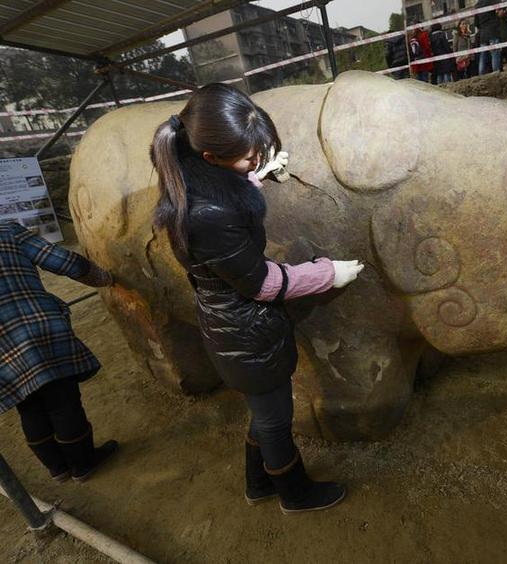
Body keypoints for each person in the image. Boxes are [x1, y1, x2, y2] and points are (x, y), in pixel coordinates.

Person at [149, 84, 364, 514]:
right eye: (250, 155)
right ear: (213, 157)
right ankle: (294, 493)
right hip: (244, 332)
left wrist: (255, 175)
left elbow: (225, 204)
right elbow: (263, 283)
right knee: (275, 419)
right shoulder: (206, 215)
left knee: (264, 413)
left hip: (233, 325)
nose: (257, 159)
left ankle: (258, 482)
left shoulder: (195, 176)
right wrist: (326, 274)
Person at [0, 221, 118, 483]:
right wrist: (104, 278)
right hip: (37, 330)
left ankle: (57, 468)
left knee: (28, 405)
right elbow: (61, 261)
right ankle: (82, 464)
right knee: (62, 402)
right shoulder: (7, 232)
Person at [474, 0, 503, 74]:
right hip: (493, 31)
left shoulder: (477, 5)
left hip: (483, 34)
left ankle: (481, 73)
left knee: (483, 55)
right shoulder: (491, 1)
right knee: (495, 52)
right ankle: (496, 72)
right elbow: (500, 10)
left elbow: (476, 22)